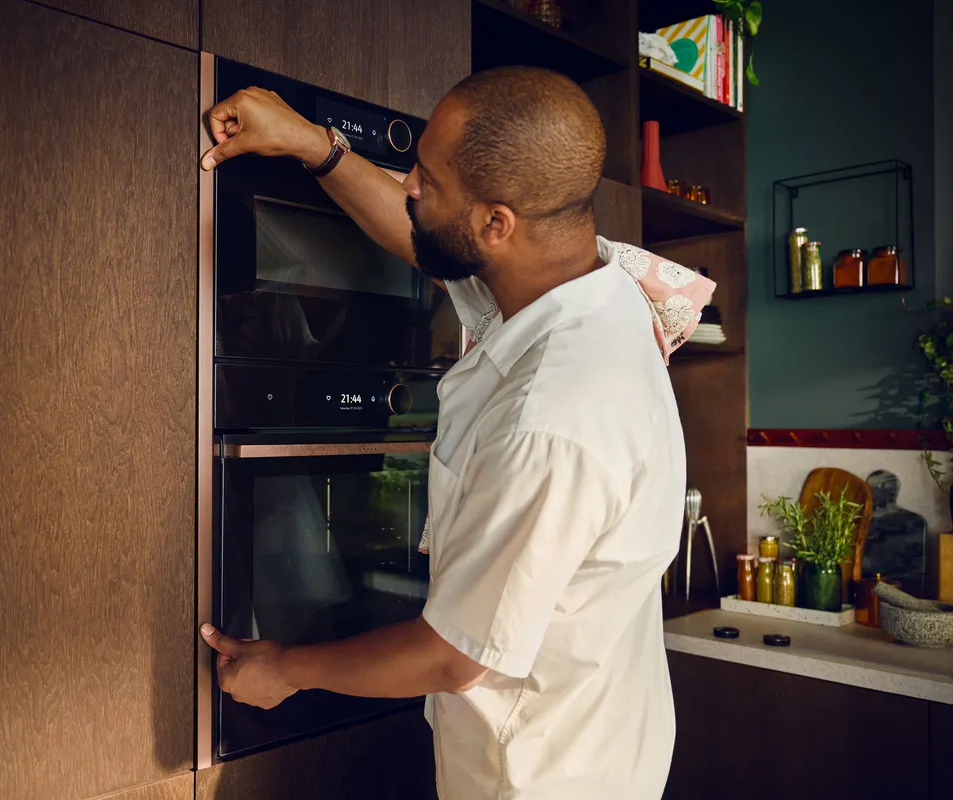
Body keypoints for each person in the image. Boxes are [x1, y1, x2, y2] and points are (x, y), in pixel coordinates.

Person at [198, 65, 713, 799]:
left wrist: (283, 668)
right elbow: (431, 249)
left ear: (495, 223)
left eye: (426, 180)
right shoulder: (587, 285)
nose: (409, 184)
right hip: (593, 740)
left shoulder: (554, 416)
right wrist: (315, 146)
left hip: (542, 777)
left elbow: (452, 656)